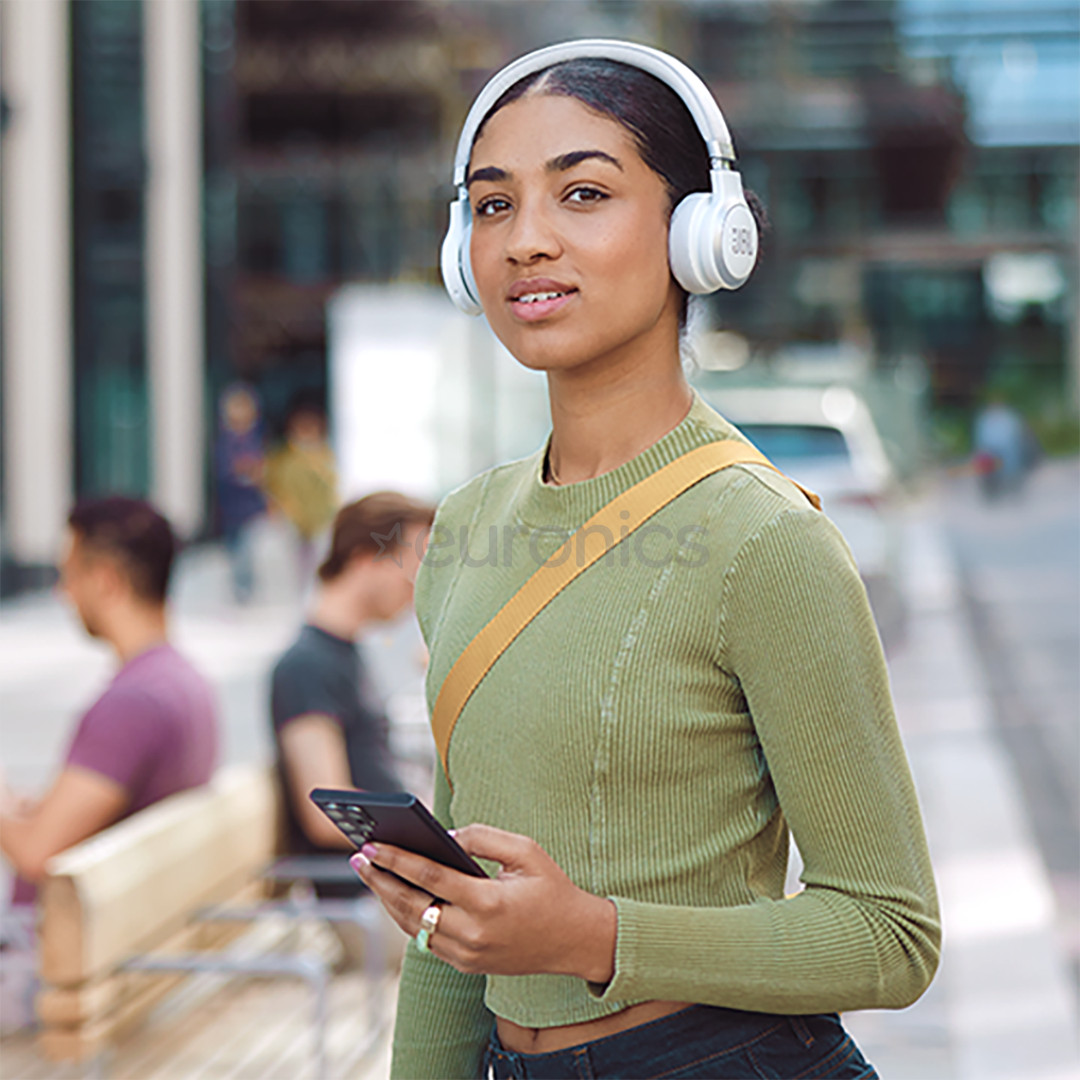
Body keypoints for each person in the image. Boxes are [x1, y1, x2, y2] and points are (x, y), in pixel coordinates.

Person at [351, 41, 941, 1080]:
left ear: (699, 233)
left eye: (583, 193)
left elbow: (891, 935)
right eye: (493, 206)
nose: (527, 240)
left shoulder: (766, 540)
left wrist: (592, 938)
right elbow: (456, 931)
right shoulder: (467, 527)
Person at [0, 497, 219, 1030]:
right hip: (116, 954)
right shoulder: (182, 681)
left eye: (67, 575)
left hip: (51, 973)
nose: (61, 593)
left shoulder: (132, 704)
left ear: (105, 581)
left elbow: (34, 853)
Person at [270, 491, 435, 897]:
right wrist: (432, 834)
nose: (416, 587)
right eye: (410, 566)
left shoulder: (345, 654)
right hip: (364, 898)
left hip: (387, 890)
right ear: (365, 558)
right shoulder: (306, 665)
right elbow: (325, 811)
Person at [264, 396, 338, 589]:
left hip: (319, 518)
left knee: (319, 559)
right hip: (293, 517)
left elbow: (330, 485)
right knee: (296, 560)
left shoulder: (324, 456)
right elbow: (276, 485)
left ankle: (313, 590)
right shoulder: (285, 458)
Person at [215, 383, 268, 603]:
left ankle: (245, 589)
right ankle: (239, 588)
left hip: (249, 507)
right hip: (230, 507)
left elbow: (261, 470)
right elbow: (227, 470)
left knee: (247, 550)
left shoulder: (255, 439)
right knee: (235, 550)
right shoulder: (225, 440)